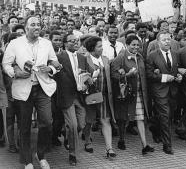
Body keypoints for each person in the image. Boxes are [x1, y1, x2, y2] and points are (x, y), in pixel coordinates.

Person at [2, 15, 59, 169]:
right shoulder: (15, 43)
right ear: (26, 27)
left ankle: (40, 155)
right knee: (24, 125)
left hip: (42, 88)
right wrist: (15, 73)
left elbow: (55, 62)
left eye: (38, 24)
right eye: (33, 24)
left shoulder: (46, 44)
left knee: (47, 122)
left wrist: (51, 68)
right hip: (23, 88)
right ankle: (27, 160)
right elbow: (6, 64)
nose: (36, 27)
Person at [110, 35, 154, 154]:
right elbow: (114, 75)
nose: (136, 47)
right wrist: (127, 75)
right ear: (127, 45)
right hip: (126, 94)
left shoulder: (140, 57)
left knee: (140, 118)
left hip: (139, 93)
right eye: (133, 45)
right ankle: (121, 140)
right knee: (123, 119)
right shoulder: (120, 57)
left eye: (138, 45)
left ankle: (144, 145)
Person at [55, 33, 90, 166]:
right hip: (66, 96)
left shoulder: (82, 57)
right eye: (72, 41)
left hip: (80, 96)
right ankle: (72, 154)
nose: (76, 43)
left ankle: (66, 133)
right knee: (73, 125)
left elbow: (86, 75)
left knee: (81, 124)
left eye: (77, 41)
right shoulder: (59, 57)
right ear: (65, 43)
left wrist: (87, 81)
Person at [146, 31, 181, 155]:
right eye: (164, 40)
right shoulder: (152, 55)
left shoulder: (176, 54)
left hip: (173, 91)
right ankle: (167, 145)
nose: (167, 42)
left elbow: (176, 70)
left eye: (168, 39)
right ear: (158, 42)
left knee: (167, 116)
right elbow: (149, 74)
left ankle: (155, 128)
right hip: (159, 90)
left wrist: (179, 76)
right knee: (165, 116)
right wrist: (164, 77)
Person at [82, 36, 117, 158]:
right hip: (90, 95)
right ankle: (87, 141)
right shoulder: (84, 60)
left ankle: (109, 148)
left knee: (105, 120)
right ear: (92, 48)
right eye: (99, 46)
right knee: (88, 121)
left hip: (104, 96)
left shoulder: (106, 59)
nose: (102, 48)